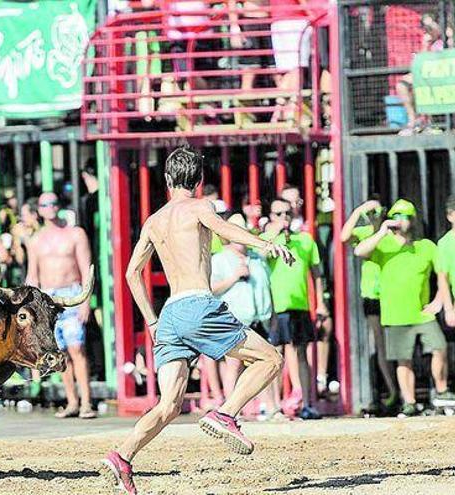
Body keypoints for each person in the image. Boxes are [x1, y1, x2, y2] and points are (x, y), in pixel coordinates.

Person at [102, 148, 291, 495]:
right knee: (271, 359)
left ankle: (123, 456)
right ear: (200, 180)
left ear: (167, 179)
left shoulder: (154, 220)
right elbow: (224, 230)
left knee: (169, 404)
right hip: (198, 305)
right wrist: (266, 244)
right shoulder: (201, 207)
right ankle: (226, 414)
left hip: (170, 314)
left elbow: (131, 273)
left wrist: (152, 320)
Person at [355, 199, 455, 416]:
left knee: (440, 347)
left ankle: (441, 390)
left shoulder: (426, 246)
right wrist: (382, 230)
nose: (402, 221)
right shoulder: (383, 246)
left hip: (422, 313)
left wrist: (439, 301)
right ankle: (408, 402)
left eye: (406, 217)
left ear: (413, 220)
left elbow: (442, 276)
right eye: (397, 216)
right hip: (395, 314)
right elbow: (359, 251)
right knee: (403, 359)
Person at [27, 192, 95, 419]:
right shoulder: (35, 240)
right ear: (40, 209)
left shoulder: (75, 234)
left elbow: (86, 269)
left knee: (77, 348)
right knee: (60, 352)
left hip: (71, 294)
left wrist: (86, 300)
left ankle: (86, 402)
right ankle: (71, 401)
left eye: (54, 203)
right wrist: (31, 307)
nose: (51, 207)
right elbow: (32, 276)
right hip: (48, 298)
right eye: (45, 204)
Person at [210, 213, 281, 419]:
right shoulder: (220, 260)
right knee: (234, 364)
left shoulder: (257, 258)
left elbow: (268, 288)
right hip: (235, 319)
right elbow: (211, 288)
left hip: (260, 318)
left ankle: (271, 407)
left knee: (267, 362)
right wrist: (234, 277)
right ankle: (230, 411)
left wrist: (273, 315)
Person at [263, 197, 328, 420]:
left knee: (302, 354)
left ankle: (307, 403)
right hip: (276, 307)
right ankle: (274, 405)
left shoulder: (305, 240)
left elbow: (317, 273)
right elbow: (259, 256)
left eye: (287, 214)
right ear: (271, 217)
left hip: (300, 305)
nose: (284, 218)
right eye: (279, 214)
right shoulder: (268, 240)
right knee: (274, 355)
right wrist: (274, 234)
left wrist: (320, 302)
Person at [341, 198, 399, 411]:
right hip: (372, 296)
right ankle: (392, 390)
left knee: (396, 345)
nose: (374, 215)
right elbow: (344, 236)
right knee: (382, 345)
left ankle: (397, 391)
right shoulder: (366, 232)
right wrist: (358, 210)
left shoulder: (391, 233)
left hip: (393, 294)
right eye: (371, 212)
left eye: (377, 211)